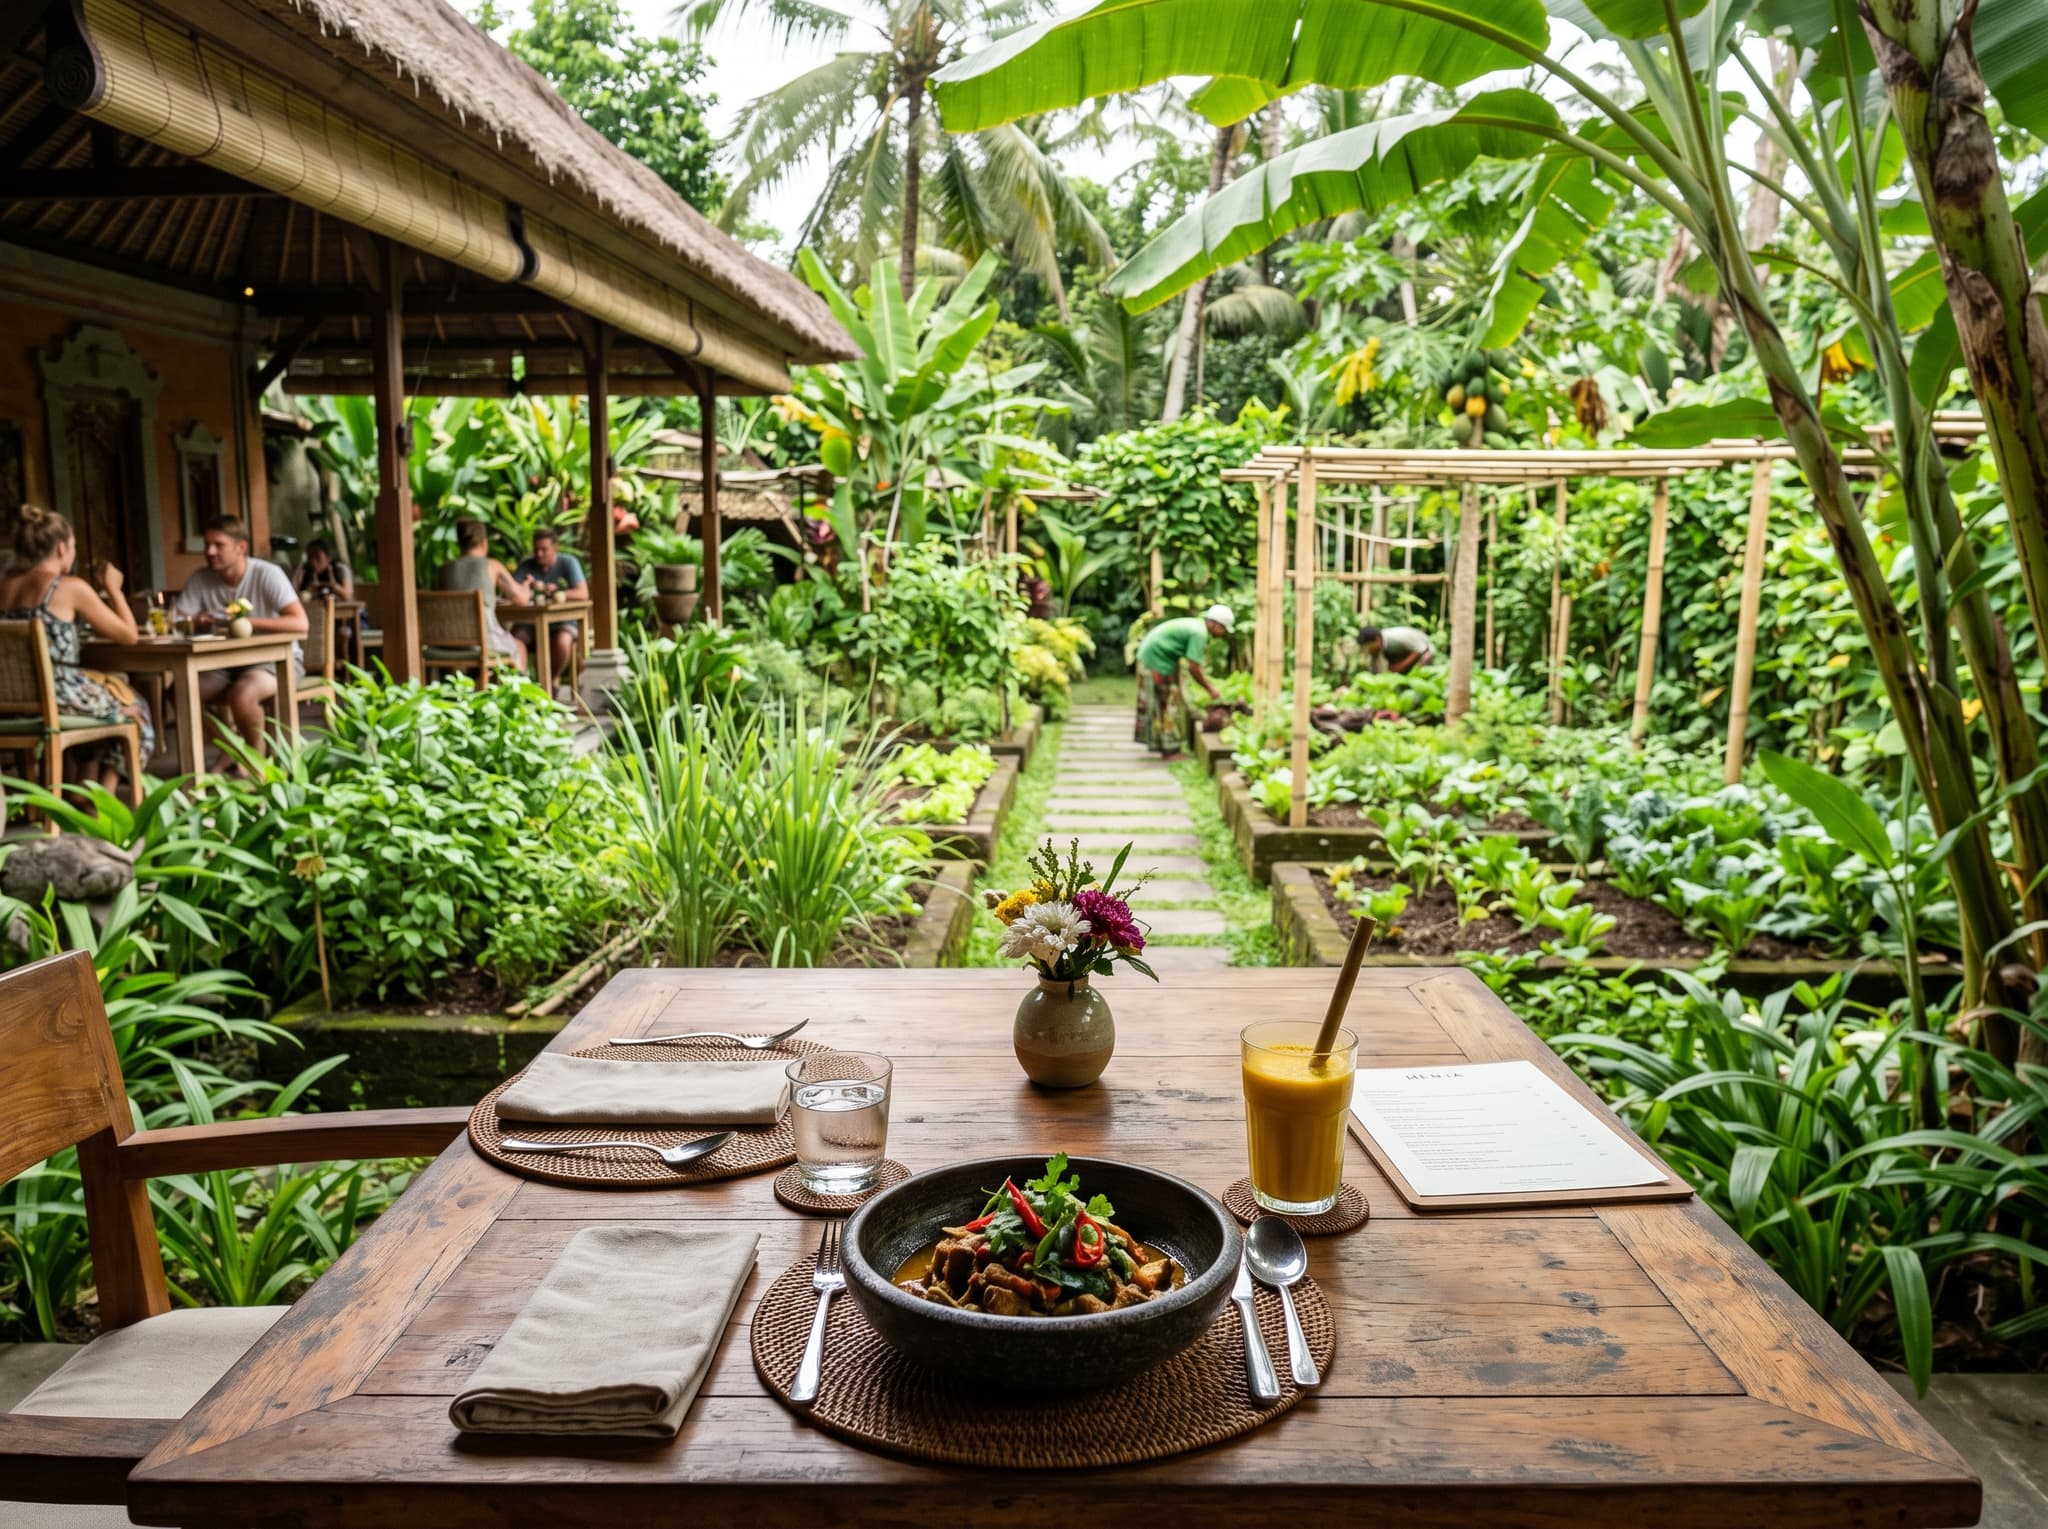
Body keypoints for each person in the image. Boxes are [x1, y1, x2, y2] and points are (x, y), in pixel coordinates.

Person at [0, 506, 156, 791]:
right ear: (62, 549)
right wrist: (114, 589)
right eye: (73, 546)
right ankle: (103, 797)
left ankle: (84, 784)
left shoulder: (4, 586)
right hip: (57, 695)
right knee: (137, 708)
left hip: (8, 701)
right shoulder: (69, 587)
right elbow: (129, 636)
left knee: (107, 692)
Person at [173, 517, 308, 759]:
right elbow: (178, 619)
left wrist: (243, 622)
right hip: (224, 663)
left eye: (218, 545)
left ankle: (256, 761)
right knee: (178, 692)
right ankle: (234, 750)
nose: (210, 552)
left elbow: (300, 624)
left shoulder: (268, 574)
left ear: (241, 548)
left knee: (243, 695)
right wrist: (197, 621)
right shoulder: (201, 578)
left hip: (278, 662)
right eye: (206, 544)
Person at [1134, 603, 1232, 756]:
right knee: (1167, 706)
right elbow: (1194, 668)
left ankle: (1165, 746)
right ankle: (1170, 751)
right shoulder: (1199, 633)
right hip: (1155, 662)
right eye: (1223, 628)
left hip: (1153, 658)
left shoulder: (1196, 626)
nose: (1223, 633)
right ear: (1215, 624)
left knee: (1164, 703)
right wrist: (1211, 689)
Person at [441, 519, 529, 672]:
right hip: (482, 642)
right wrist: (527, 586)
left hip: (448, 642)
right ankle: (516, 693)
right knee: (519, 646)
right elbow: (521, 599)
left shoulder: (444, 569)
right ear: (484, 542)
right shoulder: (492, 565)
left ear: (459, 543)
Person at [511, 529, 588, 691]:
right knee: (516, 638)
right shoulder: (526, 565)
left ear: (555, 548)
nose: (539, 554)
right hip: (531, 623)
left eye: (544, 549)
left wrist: (555, 592)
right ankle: (522, 685)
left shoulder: (569, 562)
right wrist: (527, 586)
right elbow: (512, 593)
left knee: (562, 641)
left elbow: (582, 593)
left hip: (562, 622)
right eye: (536, 549)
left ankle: (550, 682)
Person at [1357, 623, 1435, 675]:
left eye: (1368, 646)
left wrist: (1400, 667)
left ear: (1377, 640)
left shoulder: (1396, 637)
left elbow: (1419, 650)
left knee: (1416, 676)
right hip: (1408, 653)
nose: (1367, 650)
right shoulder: (1378, 648)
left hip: (1425, 650)